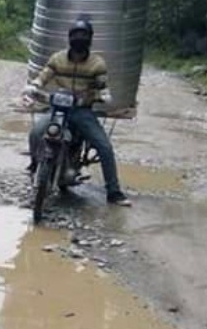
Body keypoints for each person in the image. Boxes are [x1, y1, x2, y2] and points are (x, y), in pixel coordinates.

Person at [24, 18, 131, 207]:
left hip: (81, 110)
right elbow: (44, 75)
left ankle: (114, 192)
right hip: (58, 108)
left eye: (83, 36)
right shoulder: (57, 58)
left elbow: (102, 86)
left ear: (90, 39)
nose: (79, 39)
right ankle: (35, 165)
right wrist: (35, 86)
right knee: (36, 132)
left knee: (104, 146)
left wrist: (102, 96)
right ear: (69, 38)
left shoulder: (97, 63)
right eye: (75, 35)